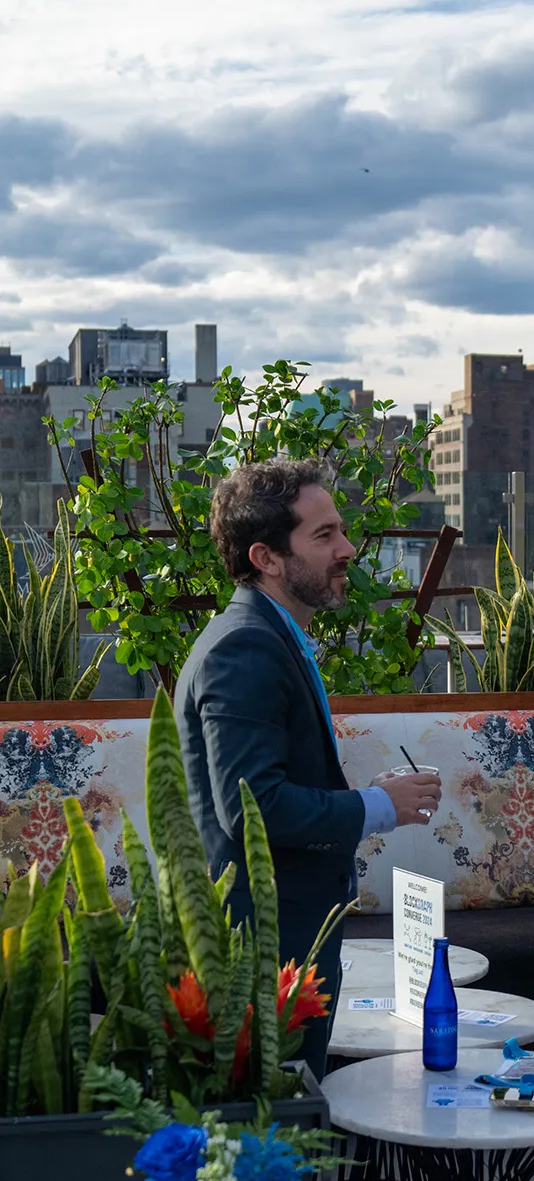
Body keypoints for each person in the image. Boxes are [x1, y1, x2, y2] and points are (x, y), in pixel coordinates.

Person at [175, 457, 442, 1073]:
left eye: (340, 530)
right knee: (277, 1139)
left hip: (286, 939)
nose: (347, 548)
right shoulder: (245, 647)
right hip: (260, 950)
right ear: (266, 557)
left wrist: (369, 795)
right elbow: (255, 810)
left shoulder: (274, 635)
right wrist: (379, 808)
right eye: (324, 536)